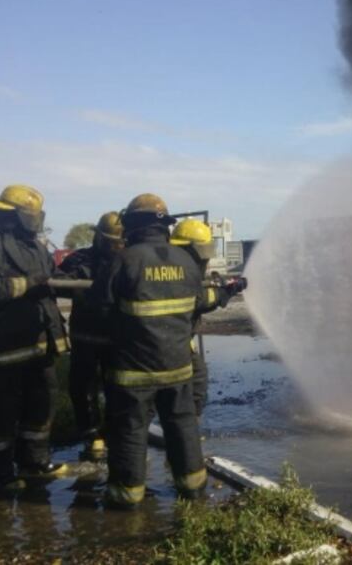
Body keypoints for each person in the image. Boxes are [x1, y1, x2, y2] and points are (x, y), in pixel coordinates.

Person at [91, 194, 209, 507]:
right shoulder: (186, 261)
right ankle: (193, 491)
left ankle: (126, 500)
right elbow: (197, 307)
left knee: (129, 431)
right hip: (179, 368)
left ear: (132, 225)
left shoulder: (124, 261)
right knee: (182, 426)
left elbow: (100, 311)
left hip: (132, 373)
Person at [0, 185, 68, 492]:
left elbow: (49, 277)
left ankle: (33, 462)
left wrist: (67, 283)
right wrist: (27, 284)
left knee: (42, 403)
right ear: (14, 216)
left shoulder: (35, 247)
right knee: (5, 411)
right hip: (7, 348)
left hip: (39, 345)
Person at [58, 211, 124, 460]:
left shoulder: (130, 259)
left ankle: (116, 433)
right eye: (109, 241)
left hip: (117, 339)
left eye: (117, 242)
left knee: (117, 387)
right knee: (83, 389)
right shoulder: (80, 259)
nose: (113, 246)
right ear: (98, 237)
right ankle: (92, 436)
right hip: (85, 337)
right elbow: (59, 281)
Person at [169, 219, 245, 416]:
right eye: (201, 252)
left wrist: (224, 289)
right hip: (172, 343)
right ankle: (187, 430)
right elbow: (200, 299)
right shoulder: (180, 270)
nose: (205, 259)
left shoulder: (168, 264)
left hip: (161, 341)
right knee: (195, 381)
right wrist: (227, 291)